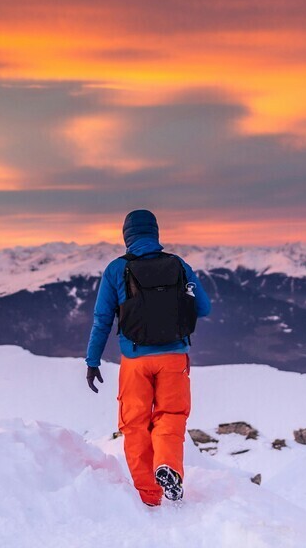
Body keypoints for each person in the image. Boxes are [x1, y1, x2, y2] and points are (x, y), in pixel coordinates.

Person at [84, 209, 211, 506]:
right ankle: (168, 467)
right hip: (174, 356)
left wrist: (92, 361)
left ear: (126, 235)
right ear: (155, 232)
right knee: (171, 416)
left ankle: (149, 495)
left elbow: (102, 319)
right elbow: (203, 308)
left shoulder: (117, 269)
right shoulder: (179, 265)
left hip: (135, 360)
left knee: (135, 424)